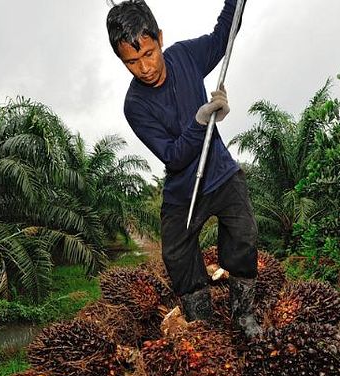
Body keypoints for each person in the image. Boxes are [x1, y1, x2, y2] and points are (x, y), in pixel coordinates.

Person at [106, 0, 261, 338]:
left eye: (148, 53)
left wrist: (235, 2)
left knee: (244, 236)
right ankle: (203, 326)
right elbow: (174, 156)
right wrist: (200, 119)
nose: (144, 67)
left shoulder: (185, 57)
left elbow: (224, 36)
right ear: (121, 60)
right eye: (131, 62)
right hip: (183, 187)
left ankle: (244, 316)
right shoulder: (135, 106)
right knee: (176, 255)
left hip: (220, 173)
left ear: (159, 38)